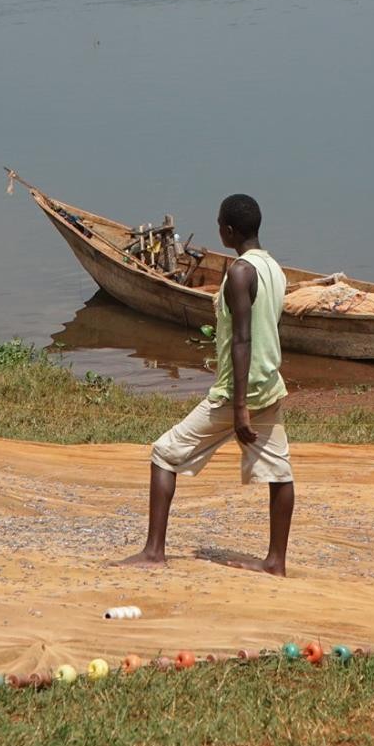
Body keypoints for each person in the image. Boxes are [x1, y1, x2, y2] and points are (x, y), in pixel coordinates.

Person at [118, 192, 294, 575]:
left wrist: (239, 408)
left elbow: (244, 339)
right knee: (280, 473)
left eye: (219, 225)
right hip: (269, 384)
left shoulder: (240, 273)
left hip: (239, 394)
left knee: (164, 453)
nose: (218, 230)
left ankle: (153, 552)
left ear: (229, 230)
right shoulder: (274, 270)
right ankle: (275, 562)